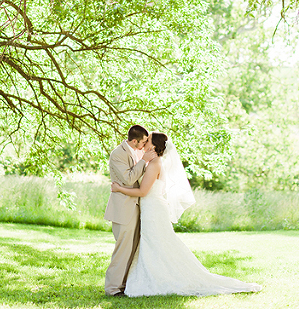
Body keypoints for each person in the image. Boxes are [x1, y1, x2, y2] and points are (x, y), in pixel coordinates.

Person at [111, 132, 261, 297]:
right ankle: (153, 275)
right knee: (155, 244)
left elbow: (143, 191)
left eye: (148, 140)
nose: (145, 141)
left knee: (156, 243)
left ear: (153, 146)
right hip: (150, 208)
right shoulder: (151, 162)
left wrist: (119, 189)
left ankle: (160, 278)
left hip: (153, 209)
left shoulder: (154, 164)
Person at [104, 124, 156, 296]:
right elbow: (127, 179)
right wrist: (144, 161)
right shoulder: (118, 154)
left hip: (135, 207)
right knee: (122, 250)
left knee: (132, 250)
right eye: (142, 143)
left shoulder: (137, 152)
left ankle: (124, 285)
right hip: (123, 209)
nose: (144, 146)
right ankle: (112, 288)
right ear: (134, 141)